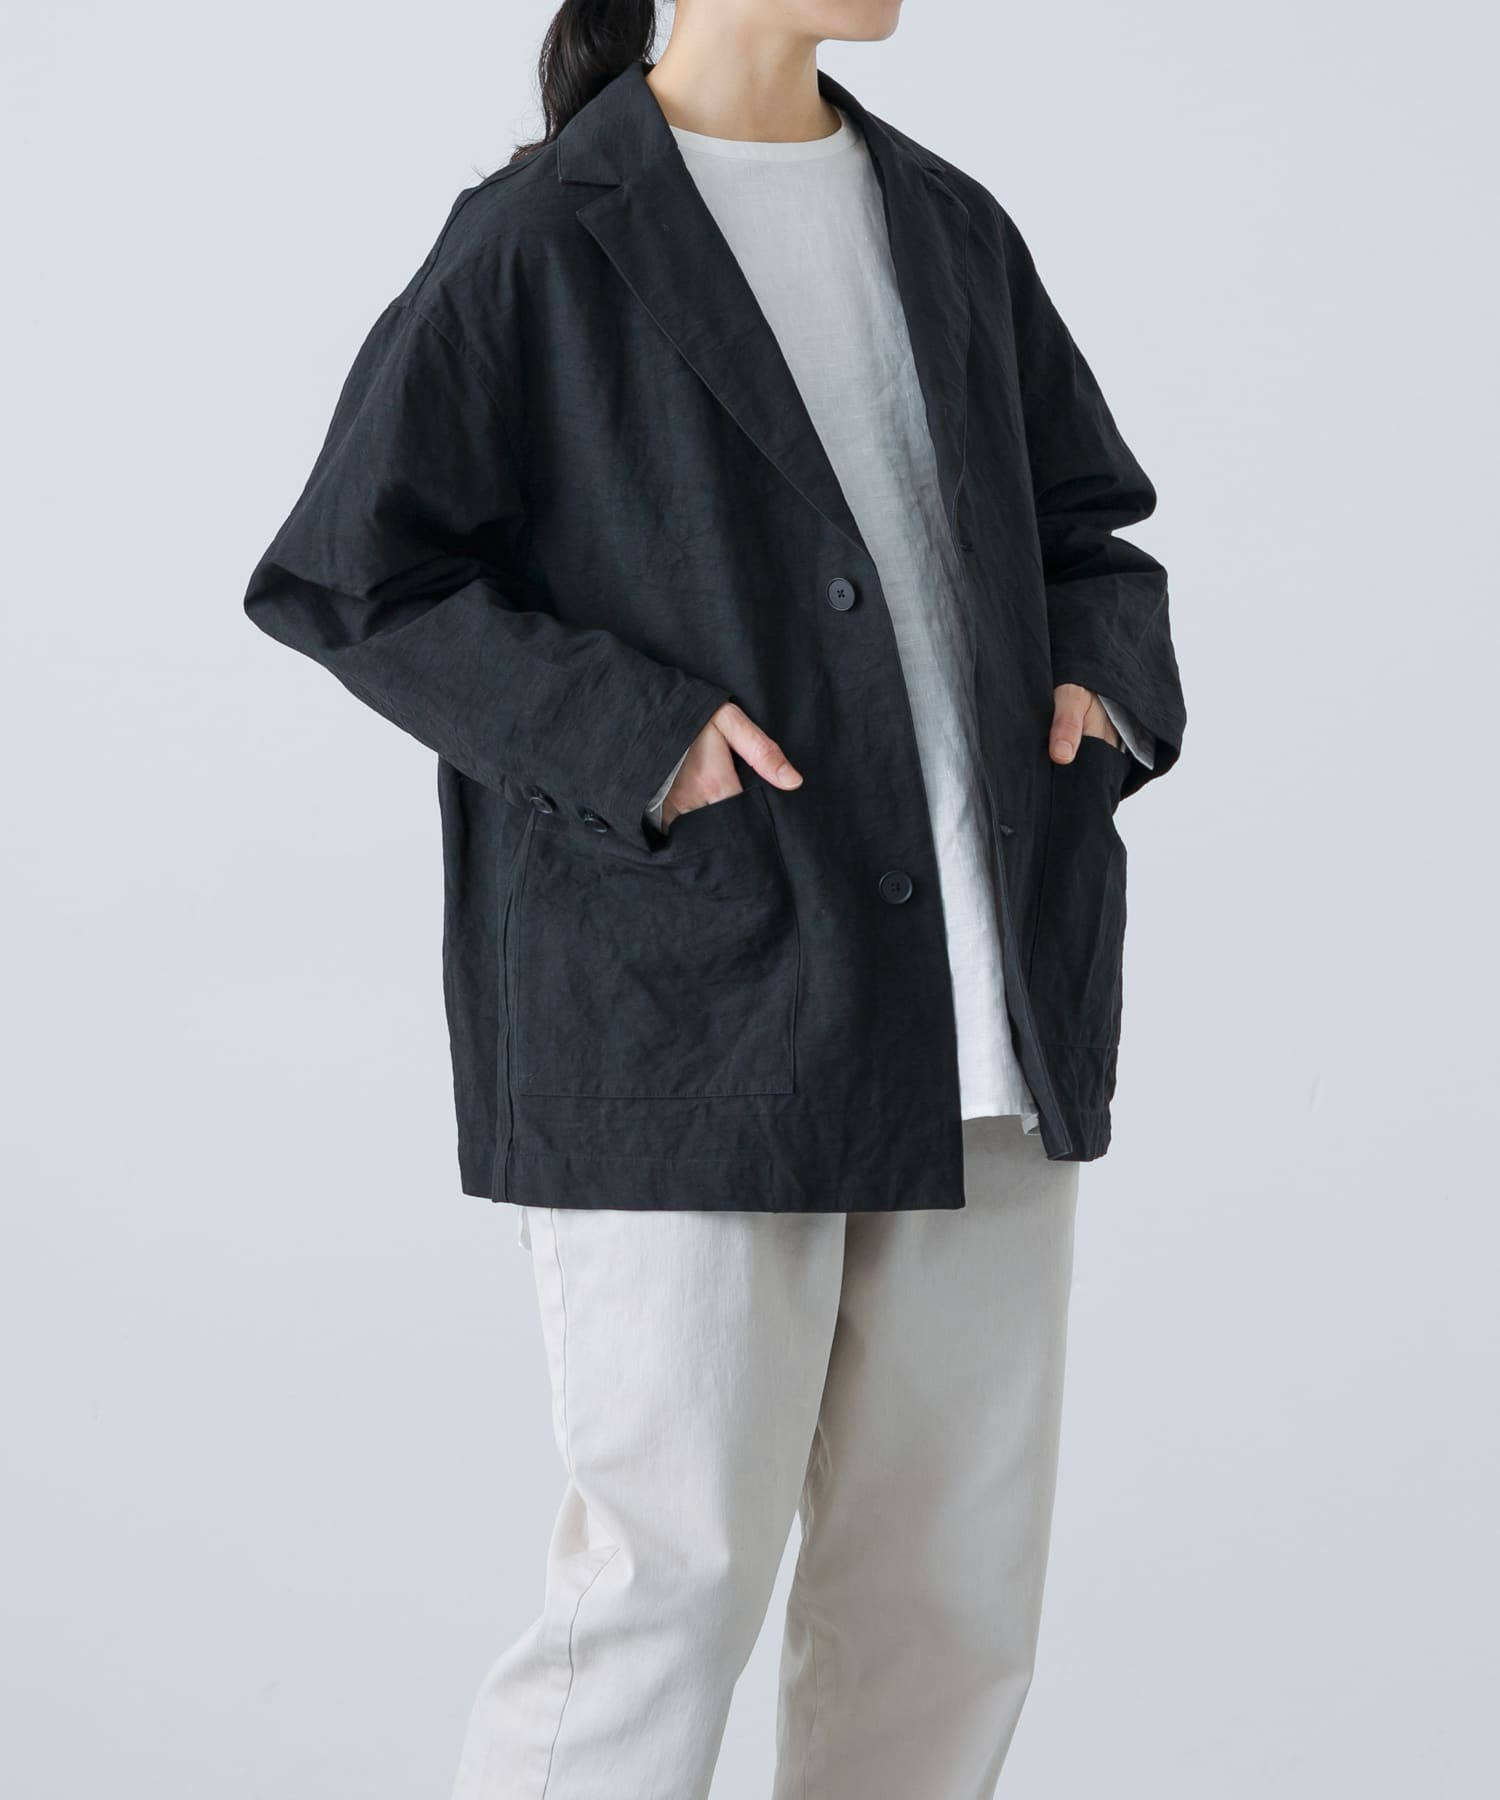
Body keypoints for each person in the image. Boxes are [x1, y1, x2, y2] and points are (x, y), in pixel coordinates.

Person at [243, 1, 1186, 1793]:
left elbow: (1092, 531)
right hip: (697, 1023)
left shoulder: (950, 224)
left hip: (986, 1025)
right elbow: (353, 574)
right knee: (665, 1594)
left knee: (944, 1612)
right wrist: (638, 737)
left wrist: (1100, 681)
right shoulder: (543, 236)